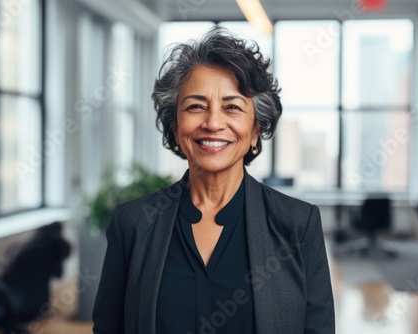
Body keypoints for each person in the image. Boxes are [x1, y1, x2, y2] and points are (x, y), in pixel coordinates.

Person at [92, 27, 334, 334]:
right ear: (175, 127)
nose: (213, 123)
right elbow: (108, 328)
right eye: (196, 106)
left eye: (232, 107)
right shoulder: (133, 223)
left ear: (256, 129)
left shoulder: (299, 223)